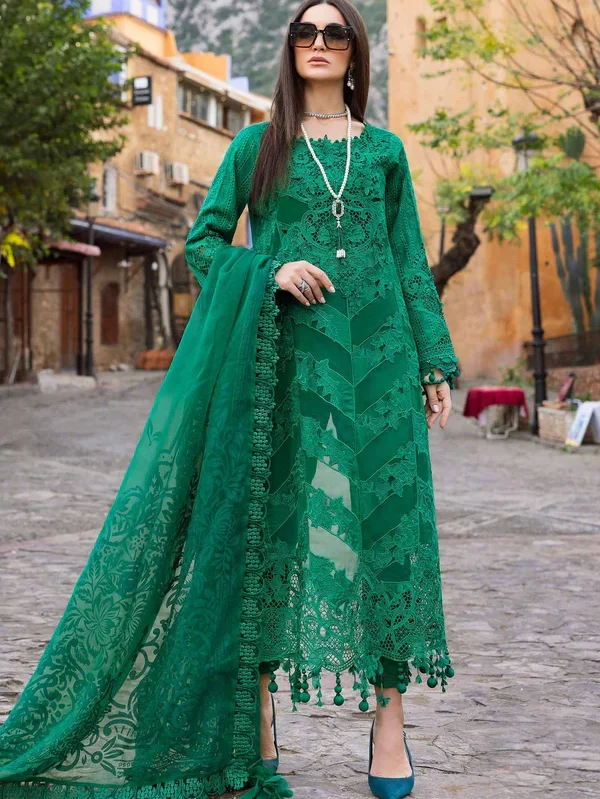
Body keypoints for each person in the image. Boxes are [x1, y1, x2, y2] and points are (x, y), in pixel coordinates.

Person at [0, 2, 458, 799]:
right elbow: (205, 242)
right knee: (268, 532)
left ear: (356, 52)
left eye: (335, 33)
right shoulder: (256, 146)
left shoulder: (384, 153)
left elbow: (410, 260)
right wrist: (269, 269)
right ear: (291, 49)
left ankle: (389, 718)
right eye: (305, 33)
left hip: (379, 366)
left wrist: (435, 361)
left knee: (391, 532)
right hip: (279, 361)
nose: (319, 44)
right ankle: (256, 710)